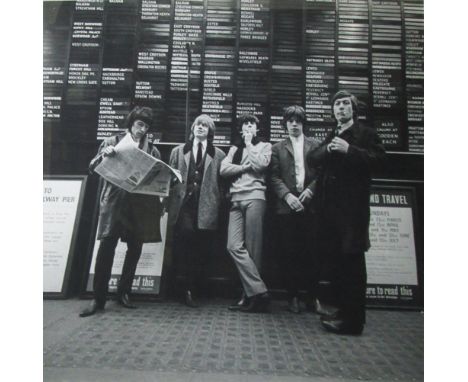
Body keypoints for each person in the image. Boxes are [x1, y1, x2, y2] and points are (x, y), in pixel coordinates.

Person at [306, 90, 386, 334]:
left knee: (352, 265)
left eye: (345, 104)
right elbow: (312, 158)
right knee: (338, 265)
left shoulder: (366, 134)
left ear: (354, 109)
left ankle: (354, 321)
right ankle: (342, 312)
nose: (340, 108)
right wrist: (331, 149)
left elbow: (380, 161)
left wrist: (349, 149)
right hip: (329, 212)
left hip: (352, 212)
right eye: (337, 104)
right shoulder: (332, 135)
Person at [80, 106, 163, 317]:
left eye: (146, 126)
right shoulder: (112, 141)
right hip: (115, 204)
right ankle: (98, 299)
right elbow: (91, 167)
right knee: (106, 248)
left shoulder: (152, 150)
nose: (142, 130)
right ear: (131, 123)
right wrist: (103, 157)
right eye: (139, 124)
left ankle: (124, 293)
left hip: (139, 207)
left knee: (135, 249)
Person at [166, 114, 226, 307]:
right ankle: (183, 289)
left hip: (206, 206)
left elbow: (222, 183)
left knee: (201, 247)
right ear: (192, 129)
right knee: (185, 239)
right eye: (198, 125)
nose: (201, 128)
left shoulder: (218, 155)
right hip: (183, 205)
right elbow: (169, 178)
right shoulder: (177, 151)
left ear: (210, 132)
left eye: (205, 126)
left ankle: (195, 288)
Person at [269, 105, 320, 314]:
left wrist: (310, 191)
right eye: (290, 121)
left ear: (303, 123)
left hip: (310, 207)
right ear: (285, 124)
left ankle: (313, 298)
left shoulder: (315, 145)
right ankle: (293, 297)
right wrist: (287, 196)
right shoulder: (277, 148)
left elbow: (322, 173)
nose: (294, 124)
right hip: (286, 208)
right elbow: (273, 176)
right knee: (289, 253)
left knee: (312, 253)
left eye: (298, 121)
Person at [221, 113, 272, 313]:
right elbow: (223, 170)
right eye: (245, 124)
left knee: (253, 250)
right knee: (233, 246)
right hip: (235, 200)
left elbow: (260, 166)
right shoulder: (234, 148)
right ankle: (260, 291)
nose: (248, 127)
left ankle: (248, 296)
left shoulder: (265, 146)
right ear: (240, 129)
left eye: (251, 124)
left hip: (255, 198)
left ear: (256, 129)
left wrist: (250, 145)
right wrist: (244, 167)